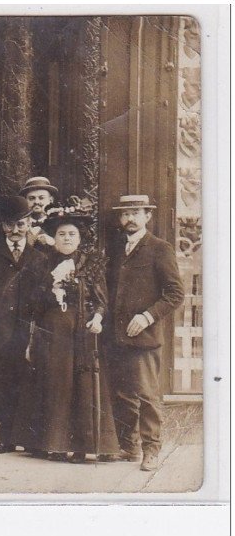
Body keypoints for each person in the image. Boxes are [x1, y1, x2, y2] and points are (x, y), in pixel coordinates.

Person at [17, 203, 120, 462]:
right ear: (55, 238)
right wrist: (49, 287)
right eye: (62, 234)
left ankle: (83, 447)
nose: (66, 239)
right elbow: (31, 303)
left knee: (82, 385)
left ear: (80, 238)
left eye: (72, 234)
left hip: (83, 331)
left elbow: (101, 299)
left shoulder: (91, 263)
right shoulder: (42, 263)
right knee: (56, 384)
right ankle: (55, 444)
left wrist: (97, 318)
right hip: (52, 332)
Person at [107, 194, 184, 472]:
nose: (129, 219)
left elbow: (175, 294)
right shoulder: (116, 249)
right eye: (125, 214)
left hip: (144, 336)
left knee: (147, 394)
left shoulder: (159, 248)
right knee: (122, 392)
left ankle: (152, 449)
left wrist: (147, 316)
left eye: (135, 213)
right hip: (116, 335)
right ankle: (129, 446)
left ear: (147, 216)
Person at [0, 196, 48, 453]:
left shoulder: (40, 258)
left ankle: (32, 440)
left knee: (32, 383)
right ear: (3, 226)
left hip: (29, 330)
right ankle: (6, 438)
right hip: (2, 331)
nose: (15, 230)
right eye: (10, 225)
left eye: (21, 225)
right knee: (5, 382)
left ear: (29, 224)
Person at [19, 176, 58, 250]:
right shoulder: (18, 224)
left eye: (41, 198)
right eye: (32, 198)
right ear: (25, 201)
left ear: (51, 200)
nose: (36, 202)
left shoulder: (58, 222)